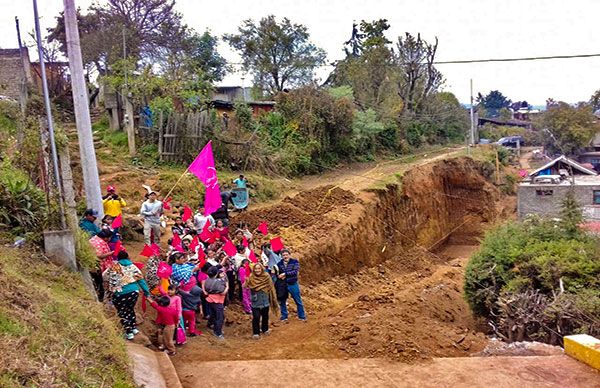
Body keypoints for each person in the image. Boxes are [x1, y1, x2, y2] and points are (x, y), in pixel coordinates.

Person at [103, 251, 150, 340]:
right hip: (133, 292)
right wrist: (146, 292)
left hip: (119, 293)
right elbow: (141, 280)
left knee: (122, 312)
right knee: (130, 309)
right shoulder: (133, 266)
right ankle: (133, 327)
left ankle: (128, 332)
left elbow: (104, 276)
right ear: (128, 257)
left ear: (118, 258)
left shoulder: (113, 267)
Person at [245, 263, 277, 339]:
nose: (257, 270)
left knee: (265, 316)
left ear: (262, 269)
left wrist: (272, 297)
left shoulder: (266, 276)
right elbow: (246, 286)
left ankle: (265, 329)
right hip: (255, 300)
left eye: (259, 268)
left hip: (265, 299)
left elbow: (271, 286)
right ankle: (256, 333)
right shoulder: (251, 277)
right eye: (256, 269)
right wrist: (246, 282)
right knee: (256, 317)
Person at [277, 249, 306, 322]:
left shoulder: (294, 262)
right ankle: (284, 316)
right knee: (282, 301)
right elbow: (278, 273)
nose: (285, 256)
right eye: (283, 255)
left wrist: (285, 274)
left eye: (286, 255)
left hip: (293, 283)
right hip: (283, 285)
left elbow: (295, 271)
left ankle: (302, 316)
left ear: (289, 255)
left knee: (297, 300)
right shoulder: (279, 264)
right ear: (281, 256)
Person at [202, 266, 228, 339]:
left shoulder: (207, 280)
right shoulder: (219, 281)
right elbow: (223, 292)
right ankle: (218, 333)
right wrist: (227, 286)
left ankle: (210, 324)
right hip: (217, 300)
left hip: (210, 299)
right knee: (220, 317)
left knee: (213, 314)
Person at [89, 230, 114, 301]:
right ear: (106, 238)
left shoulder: (94, 239)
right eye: (110, 237)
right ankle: (101, 298)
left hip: (95, 265)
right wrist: (111, 253)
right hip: (98, 266)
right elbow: (99, 256)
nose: (110, 239)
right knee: (100, 282)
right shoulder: (99, 243)